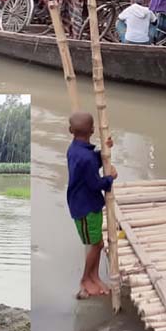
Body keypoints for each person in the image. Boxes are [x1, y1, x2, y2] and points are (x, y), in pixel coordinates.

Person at [67, 112, 117, 299]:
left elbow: (90, 162)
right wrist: (110, 178)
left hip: (89, 205)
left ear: (71, 131)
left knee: (97, 242)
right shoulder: (86, 157)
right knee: (94, 244)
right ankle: (85, 280)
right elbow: (96, 184)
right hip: (85, 208)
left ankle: (94, 276)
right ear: (93, 130)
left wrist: (104, 150)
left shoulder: (74, 150)